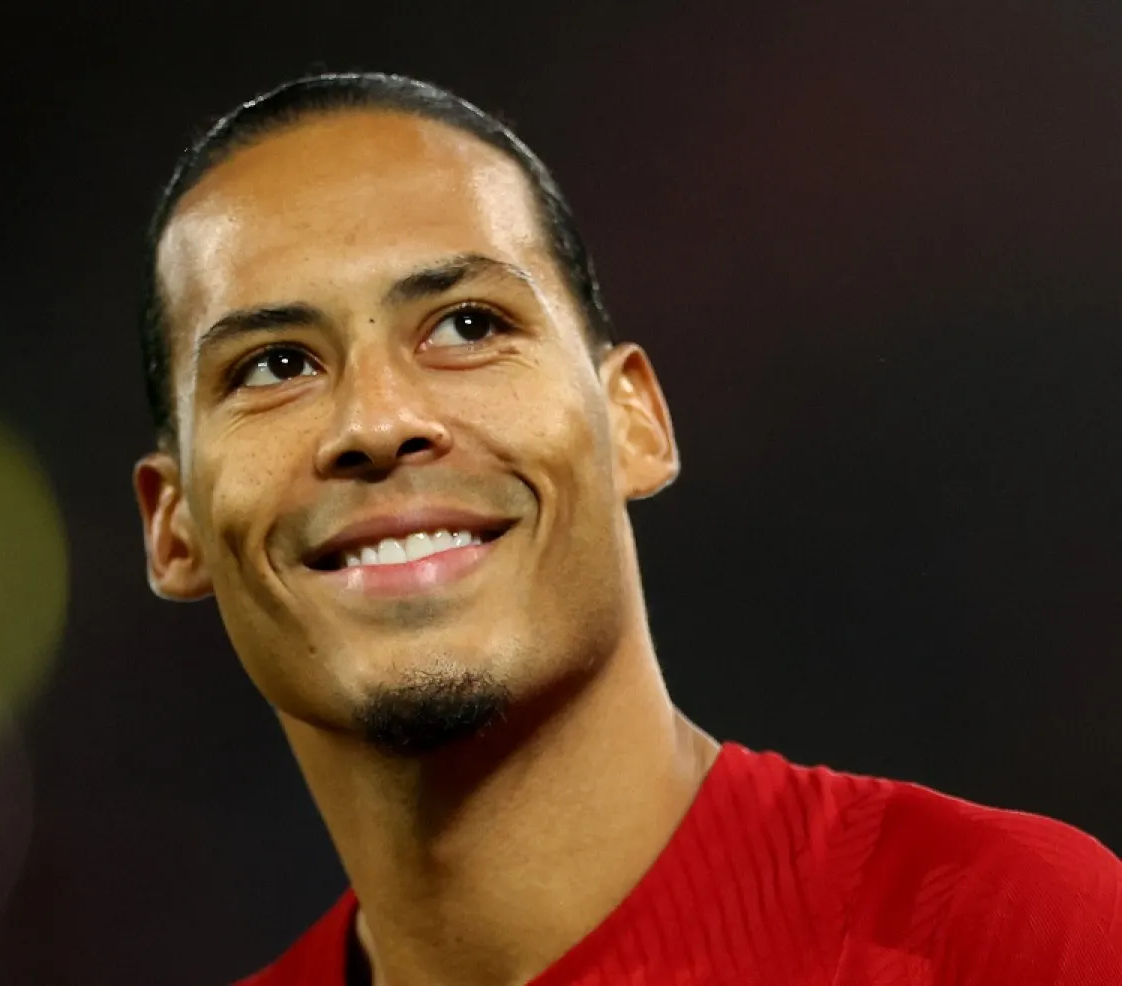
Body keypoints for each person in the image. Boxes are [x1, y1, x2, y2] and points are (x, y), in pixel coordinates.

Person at [131, 72, 1121, 986]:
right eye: (273, 365)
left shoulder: (1012, 936)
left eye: (469, 326)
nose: (380, 421)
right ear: (172, 526)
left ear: (636, 421)